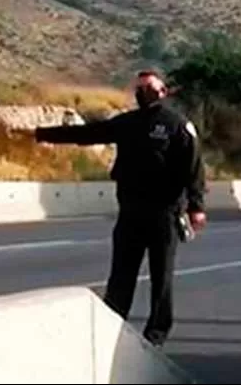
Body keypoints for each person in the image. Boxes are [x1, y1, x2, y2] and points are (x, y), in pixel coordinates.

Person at [30, 70, 207, 347]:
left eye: (148, 87)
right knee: (121, 274)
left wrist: (196, 206)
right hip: (130, 211)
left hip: (164, 212)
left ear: (163, 92)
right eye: (139, 88)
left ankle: (157, 333)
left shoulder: (177, 125)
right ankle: (113, 322)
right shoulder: (127, 123)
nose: (142, 92)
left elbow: (194, 167)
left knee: (162, 277)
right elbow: (89, 133)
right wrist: (41, 134)